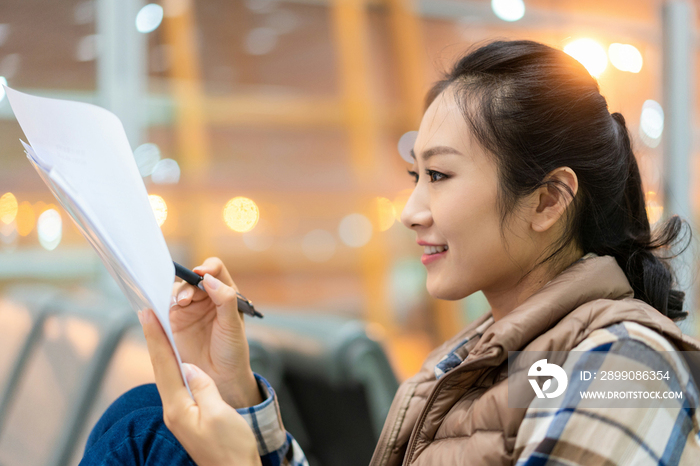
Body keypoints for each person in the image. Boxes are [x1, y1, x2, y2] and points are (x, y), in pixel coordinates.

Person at [80, 40, 700, 466]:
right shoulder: (466, 357)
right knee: (148, 419)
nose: (412, 212)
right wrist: (238, 396)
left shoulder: (628, 367)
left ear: (547, 200)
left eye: (441, 176)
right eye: (415, 178)